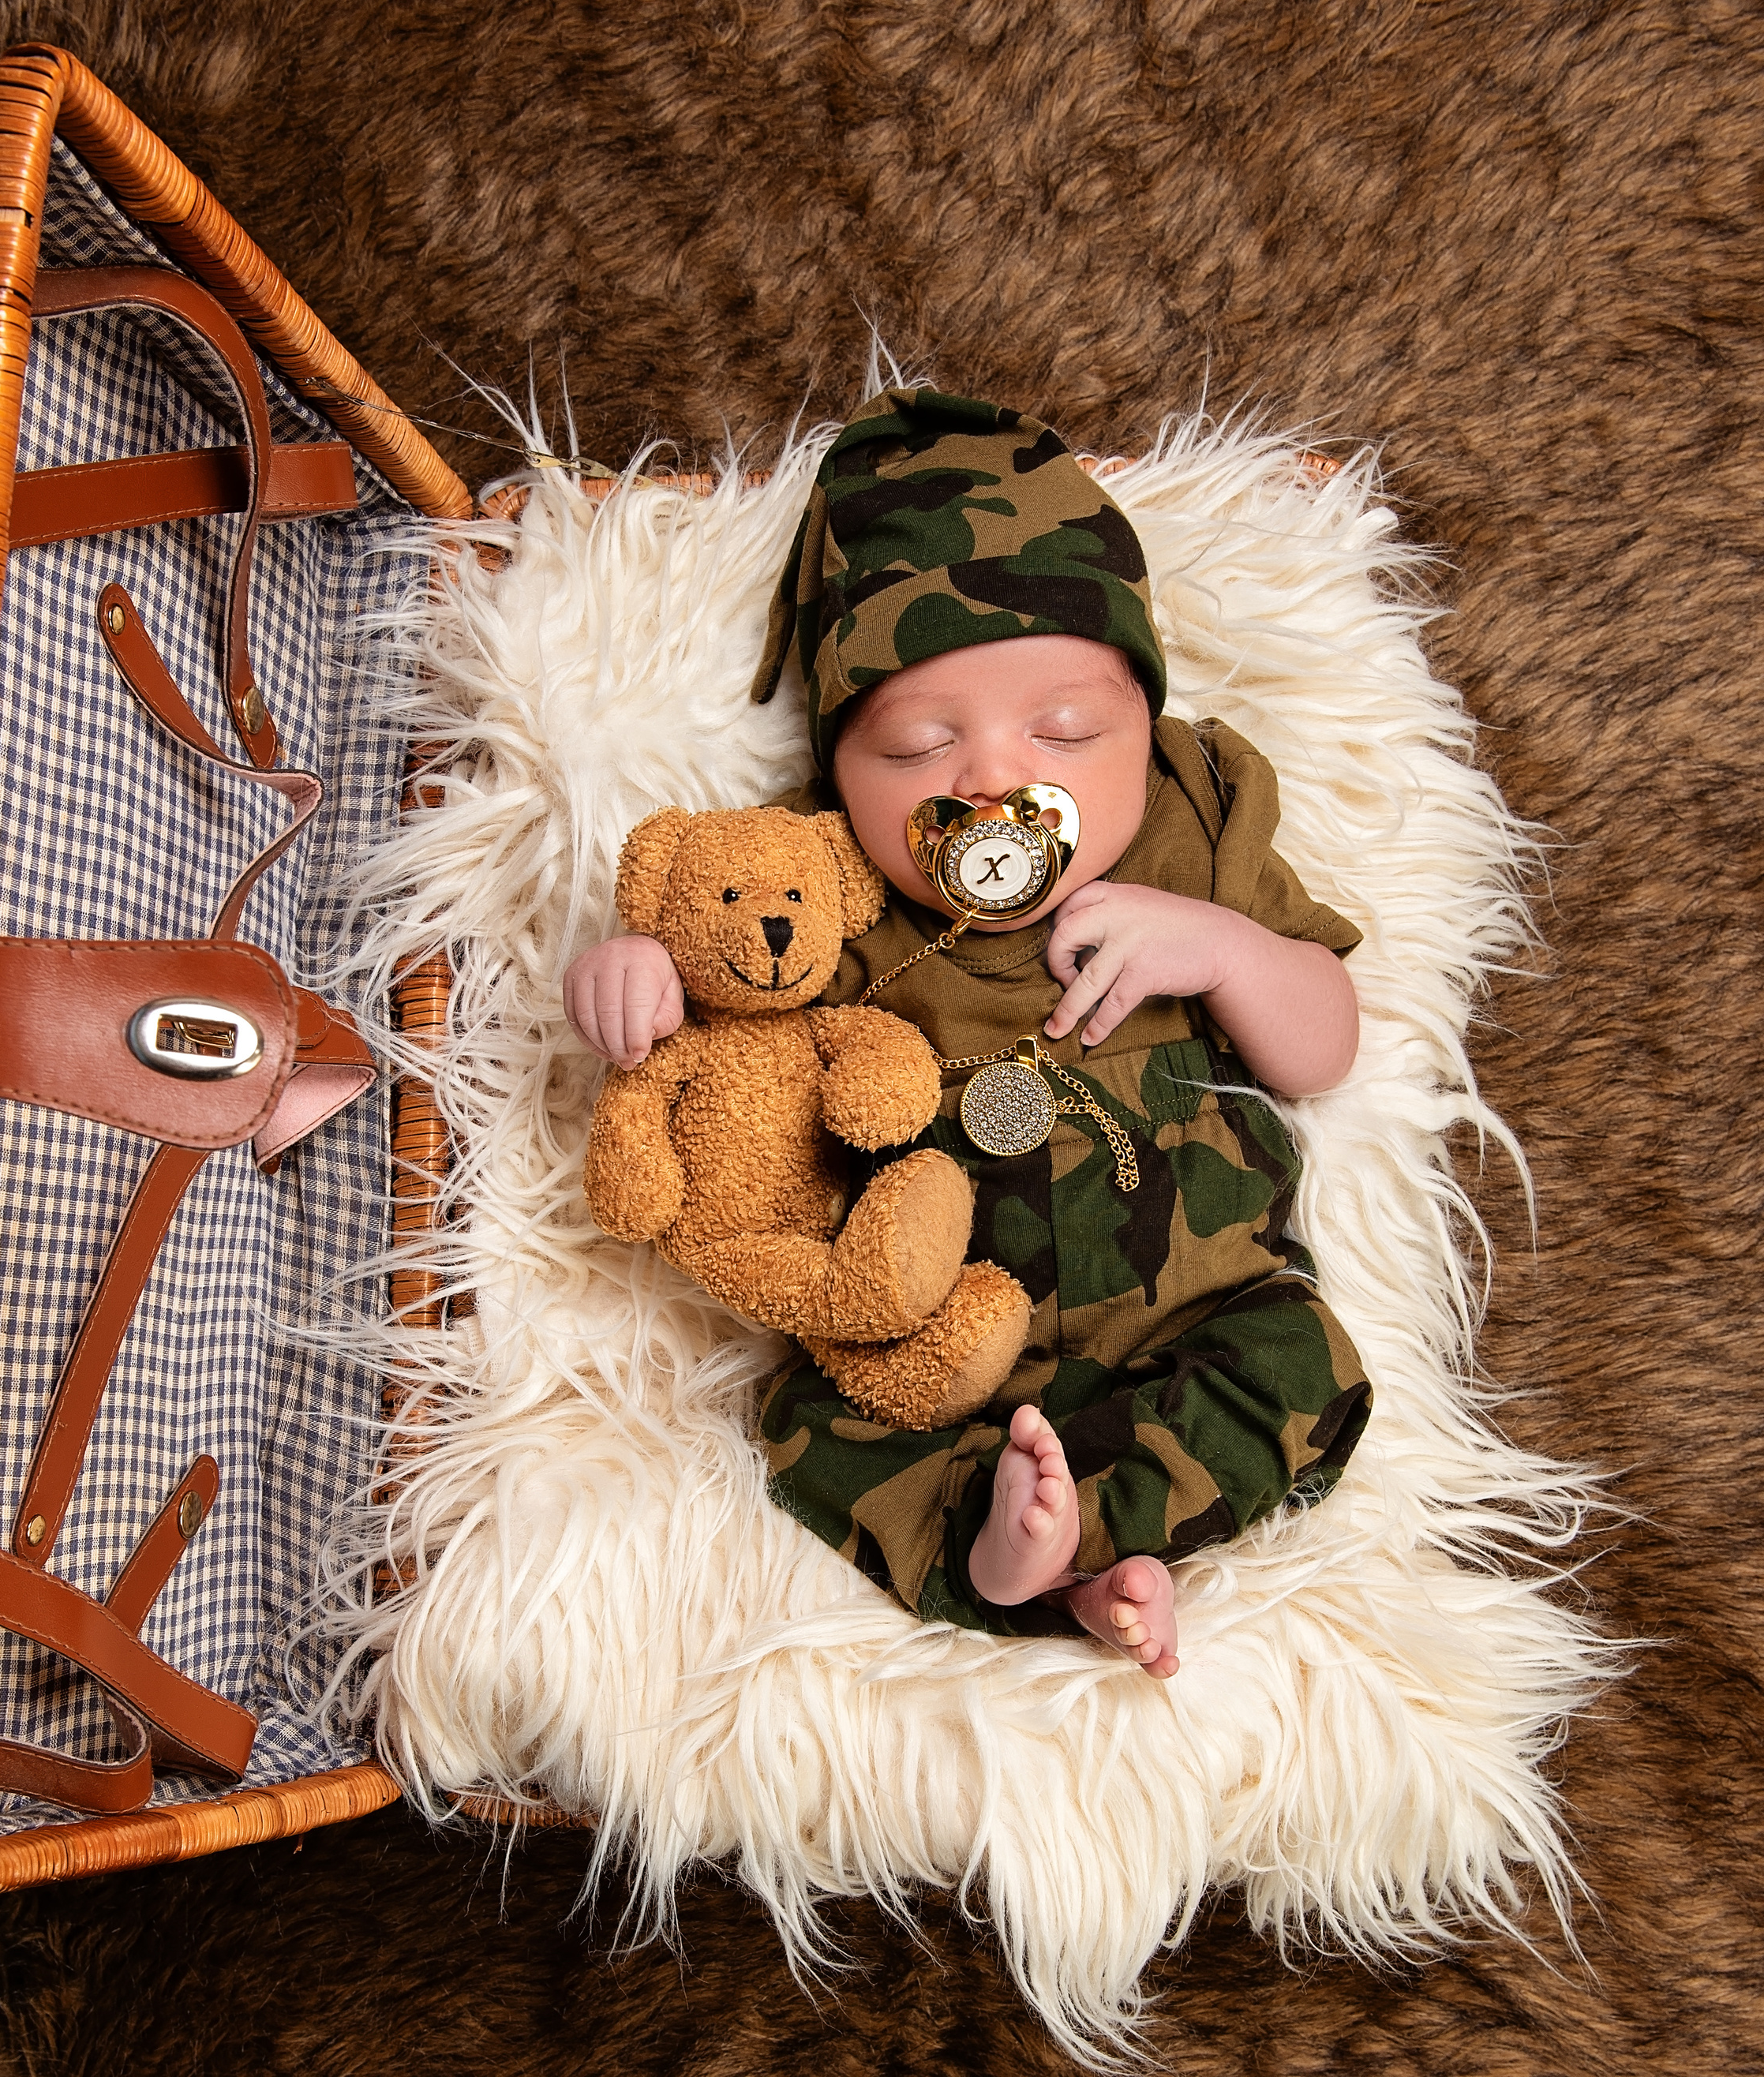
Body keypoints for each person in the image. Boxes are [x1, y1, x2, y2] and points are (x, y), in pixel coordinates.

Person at [562, 388, 1371, 1678]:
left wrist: (1224, 950)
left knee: (1295, 1364)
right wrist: (635, 972)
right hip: (935, 1334)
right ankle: (1020, 1559)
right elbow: (725, 964)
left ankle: (1094, 1544)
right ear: (838, 776)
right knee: (816, 1430)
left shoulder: (1195, 819)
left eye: (1063, 731)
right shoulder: (825, 879)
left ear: (1147, 733)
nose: (992, 779)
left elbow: (1323, 1046)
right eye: (922, 741)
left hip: (1191, 1308)